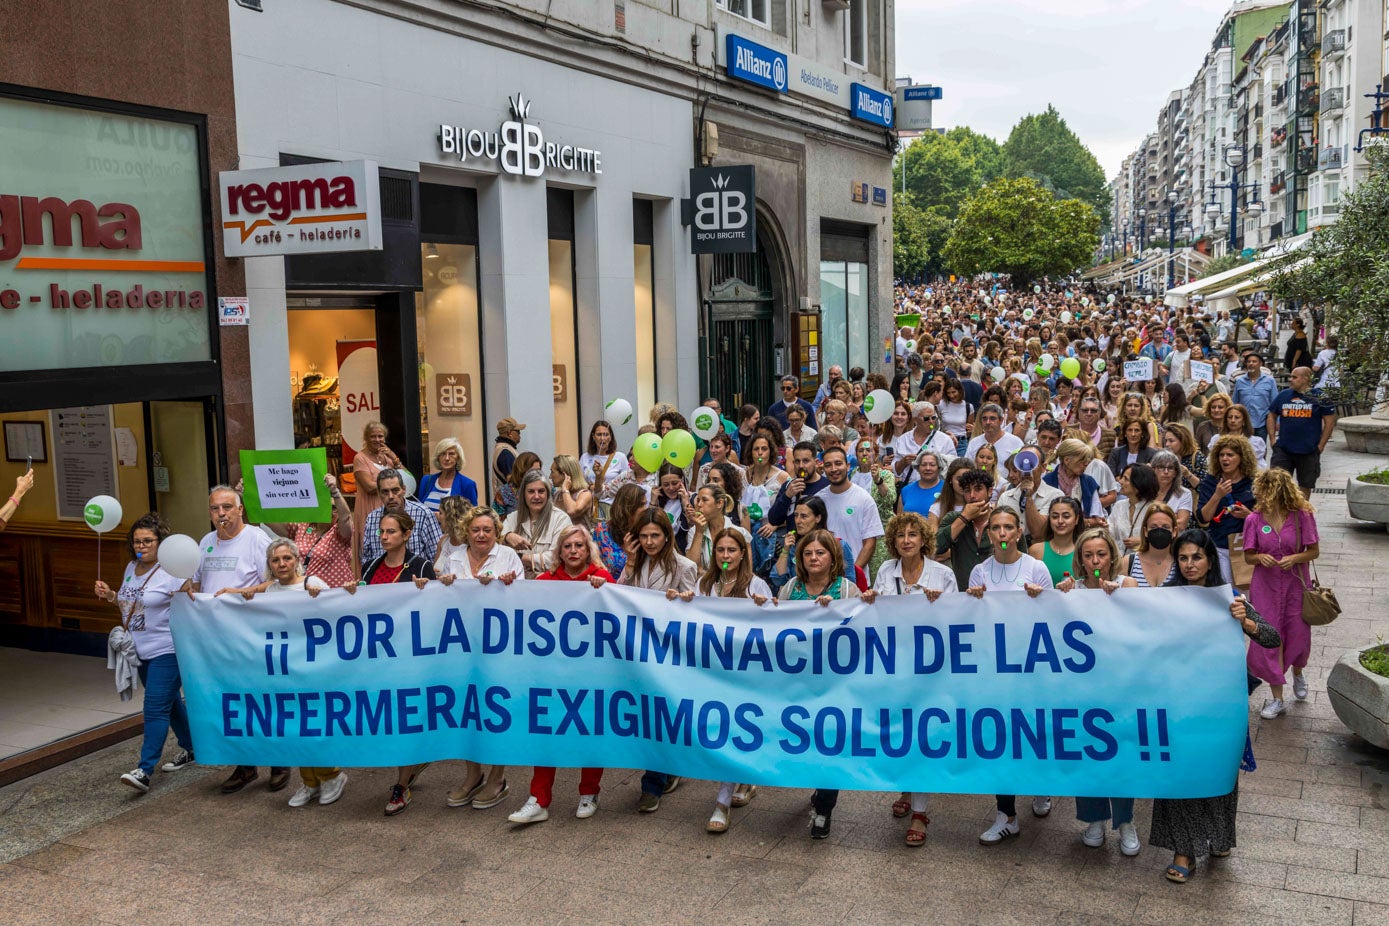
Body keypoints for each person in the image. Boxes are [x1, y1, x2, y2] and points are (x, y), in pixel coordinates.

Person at [1152, 529, 1280, 884]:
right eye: (1183, 558)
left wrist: (1246, 620)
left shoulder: (1230, 598)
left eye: (1197, 557)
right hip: (1177, 704)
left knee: (1218, 773)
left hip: (1220, 706)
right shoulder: (1167, 598)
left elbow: (1272, 638)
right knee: (1181, 775)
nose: (1190, 564)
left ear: (1210, 559)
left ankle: (1218, 837)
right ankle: (1184, 852)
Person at [216, 538, 348, 808]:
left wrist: (320, 600)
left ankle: (332, 776)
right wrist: (232, 593)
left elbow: (338, 615)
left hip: (313, 670)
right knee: (295, 727)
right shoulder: (271, 589)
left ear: (297, 560)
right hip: (284, 673)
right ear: (270, 565)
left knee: (315, 725)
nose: (282, 564)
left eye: (287, 558)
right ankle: (310, 782)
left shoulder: (314, 584)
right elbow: (251, 590)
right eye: (275, 560)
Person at [862, 511, 957, 846]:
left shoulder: (943, 575)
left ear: (923, 540)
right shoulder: (886, 571)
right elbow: (875, 615)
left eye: (913, 535)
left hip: (930, 669)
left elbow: (958, 622)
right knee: (902, 732)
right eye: (900, 535)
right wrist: (871, 600)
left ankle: (920, 811)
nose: (906, 540)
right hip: (895, 666)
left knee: (925, 734)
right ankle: (907, 787)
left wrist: (940, 605)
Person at [508, 524, 612, 825]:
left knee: (589, 730)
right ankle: (539, 799)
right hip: (552, 673)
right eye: (567, 546)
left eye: (579, 545)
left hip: (590, 674)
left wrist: (604, 591)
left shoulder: (602, 579)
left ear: (588, 549)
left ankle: (589, 791)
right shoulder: (545, 581)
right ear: (559, 551)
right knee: (546, 733)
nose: (574, 551)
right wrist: (504, 586)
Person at [671, 529, 773, 833]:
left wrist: (764, 608)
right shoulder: (705, 584)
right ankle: (742, 782)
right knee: (725, 730)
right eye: (720, 551)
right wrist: (684, 602)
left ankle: (722, 802)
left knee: (739, 730)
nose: (726, 556)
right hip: (714, 673)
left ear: (742, 553)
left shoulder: (757, 585)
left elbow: (776, 627)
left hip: (747, 675)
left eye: (732, 550)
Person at [964, 506, 1053, 845]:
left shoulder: (1036, 567)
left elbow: (1054, 616)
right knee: (1001, 739)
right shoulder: (979, 572)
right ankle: (1006, 814)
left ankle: (1043, 785)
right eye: (996, 528)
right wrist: (973, 601)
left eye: (1008, 528)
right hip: (994, 671)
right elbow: (973, 623)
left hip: (1031, 669)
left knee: (1035, 731)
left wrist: (1040, 599)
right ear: (989, 535)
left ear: (1018, 532)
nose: (1002, 534)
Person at [188, 486, 281, 795]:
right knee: (232, 702)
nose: (221, 514)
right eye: (215, 509)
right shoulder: (205, 543)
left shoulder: (256, 539)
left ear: (241, 509)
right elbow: (200, 584)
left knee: (260, 700)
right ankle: (245, 766)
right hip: (217, 639)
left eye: (227, 507)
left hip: (250, 635)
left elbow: (276, 580)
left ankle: (279, 762)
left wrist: (238, 595)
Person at [93, 514, 195, 794]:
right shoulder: (130, 567)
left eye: (148, 541)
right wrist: (112, 596)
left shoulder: (172, 571)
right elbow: (131, 606)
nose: (141, 546)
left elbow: (195, 601)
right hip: (140, 652)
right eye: (137, 541)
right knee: (170, 703)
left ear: (161, 542)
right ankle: (193, 746)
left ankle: (144, 770)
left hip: (168, 650)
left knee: (154, 709)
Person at [1055, 527, 1142, 856]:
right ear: (1079, 558)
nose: (1095, 561)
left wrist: (1118, 600)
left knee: (1119, 752)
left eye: (1101, 554)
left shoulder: (1127, 585)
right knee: (1087, 753)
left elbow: (1141, 624)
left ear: (1112, 557)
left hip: (1120, 688)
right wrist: (1059, 595)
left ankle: (1125, 822)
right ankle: (1094, 820)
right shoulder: (1071, 589)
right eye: (1088, 555)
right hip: (1082, 690)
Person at [435, 506, 520, 812]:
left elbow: (526, 601)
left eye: (487, 529)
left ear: (496, 532)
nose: (481, 535)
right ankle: (473, 775)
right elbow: (438, 596)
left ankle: (498, 778)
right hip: (460, 647)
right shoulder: (453, 557)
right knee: (467, 710)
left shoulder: (509, 557)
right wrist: (438, 585)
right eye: (476, 530)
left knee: (497, 712)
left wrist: (509, 585)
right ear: (466, 532)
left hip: (498, 647)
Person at [354, 509, 439, 815]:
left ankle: (401, 786)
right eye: (381, 532)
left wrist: (425, 590)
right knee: (390, 720)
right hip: (379, 657)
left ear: (406, 535)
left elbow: (437, 607)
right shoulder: (372, 565)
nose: (384, 537)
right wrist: (352, 592)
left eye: (391, 532)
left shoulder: (421, 566)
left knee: (404, 718)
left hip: (409, 657)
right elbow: (362, 602)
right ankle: (416, 760)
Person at [778, 529, 860, 839]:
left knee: (830, 745)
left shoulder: (846, 591)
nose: (814, 558)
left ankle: (825, 808)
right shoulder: (789, 589)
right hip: (797, 683)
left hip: (834, 684)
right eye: (808, 553)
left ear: (832, 558)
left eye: (820, 553)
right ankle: (817, 792)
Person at [619, 508, 697, 811]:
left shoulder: (684, 566)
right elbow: (618, 599)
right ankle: (669, 765)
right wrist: (629, 561)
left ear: (667, 535)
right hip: (637, 652)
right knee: (648, 716)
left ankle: (651, 785)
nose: (649, 542)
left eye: (655, 535)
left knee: (660, 713)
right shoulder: (635, 563)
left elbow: (692, 608)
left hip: (669, 653)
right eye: (643, 536)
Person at [1243, 467, 1320, 719]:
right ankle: (1277, 699)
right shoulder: (1254, 519)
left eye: (1267, 490)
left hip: (1296, 585)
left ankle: (1298, 671)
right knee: (1269, 638)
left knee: (1298, 636)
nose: (1263, 495)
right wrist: (1259, 557)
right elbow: (1248, 555)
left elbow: (1314, 551)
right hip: (1265, 587)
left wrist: (1294, 557)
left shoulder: (1302, 516)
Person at [259, 473, 356, 589]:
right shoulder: (304, 526)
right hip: (305, 593)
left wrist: (335, 492)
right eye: (325, 506)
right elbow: (267, 519)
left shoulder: (340, 532)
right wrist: (249, 494)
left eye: (334, 508)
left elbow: (346, 517)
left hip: (332, 593)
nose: (329, 511)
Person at [1268, 367, 1337, 499]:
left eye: (1294, 377)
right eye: (1291, 377)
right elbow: (1271, 415)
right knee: (1277, 484)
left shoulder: (1320, 396)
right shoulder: (1284, 395)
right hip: (1283, 449)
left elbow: (1329, 422)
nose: (1290, 380)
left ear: (1305, 379)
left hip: (1309, 450)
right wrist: (1272, 439)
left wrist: (1321, 446)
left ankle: (1301, 516)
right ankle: (1281, 516)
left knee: (1305, 486)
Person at [1197, 435, 1258, 582]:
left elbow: (1266, 520)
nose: (1225, 459)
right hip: (1219, 545)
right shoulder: (1210, 482)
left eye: (1230, 455)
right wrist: (1217, 495)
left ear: (1242, 458)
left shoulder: (1254, 483)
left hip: (1246, 547)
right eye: (1221, 455)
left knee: (1247, 592)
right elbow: (1203, 518)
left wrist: (1249, 515)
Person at [818, 446, 884, 574]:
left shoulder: (864, 498)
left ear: (848, 466)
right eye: (828, 465)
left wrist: (852, 573)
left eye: (838, 463)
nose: (833, 469)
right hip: (824, 578)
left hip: (856, 578)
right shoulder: (818, 499)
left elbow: (870, 543)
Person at [360, 469, 442, 566]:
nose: (390, 496)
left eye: (395, 490)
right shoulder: (372, 518)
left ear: (403, 490)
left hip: (416, 578)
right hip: (382, 578)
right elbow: (366, 557)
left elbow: (438, 554)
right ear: (379, 493)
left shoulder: (423, 514)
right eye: (385, 492)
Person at [502, 470, 572, 579]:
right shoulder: (512, 518)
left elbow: (556, 558)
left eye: (541, 491)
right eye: (531, 491)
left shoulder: (561, 519)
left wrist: (521, 558)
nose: (536, 496)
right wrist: (506, 537)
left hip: (549, 582)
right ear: (523, 494)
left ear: (548, 493)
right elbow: (496, 550)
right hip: (516, 583)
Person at [936, 468, 997, 591]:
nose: (972, 496)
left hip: (996, 593)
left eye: (978, 489)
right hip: (962, 594)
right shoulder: (953, 518)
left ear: (990, 491)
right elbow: (936, 546)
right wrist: (965, 517)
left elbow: (1019, 555)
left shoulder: (1002, 520)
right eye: (967, 491)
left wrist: (1003, 545)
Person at [351, 421, 400, 561]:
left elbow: (407, 479)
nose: (377, 440)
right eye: (373, 436)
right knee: (374, 548)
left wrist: (394, 458)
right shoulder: (360, 458)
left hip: (390, 508)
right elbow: (369, 486)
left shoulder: (387, 457)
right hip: (370, 507)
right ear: (366, 438)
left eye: (380, 436)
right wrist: (392, 484)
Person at [685, 484, 752, 570]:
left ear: (720, 503)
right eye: (698, 500)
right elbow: (691, 567)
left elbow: (747, 571)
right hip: (704, 583)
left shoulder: (740, 533)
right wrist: (699, 532)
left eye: (704, 500)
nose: (699, 504)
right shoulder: (694, 531)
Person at [766, 442, 828, 530]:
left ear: (816, 462)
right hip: (793, 542)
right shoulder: (788, 486)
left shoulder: (827, 486)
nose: (801, 466)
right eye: (797, 461)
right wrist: (787, 496)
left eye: (806, 461)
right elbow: (773, 520)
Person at [595, 483, 647, 578]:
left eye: (645, 504)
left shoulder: (646, 531)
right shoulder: (602, 532)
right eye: (641, 505)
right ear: (627, 507)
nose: (645, 509)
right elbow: (593, 563)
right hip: (607, 586)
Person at [1029, 496, 1083, 586]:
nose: (1060, 521)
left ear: (1076, 519)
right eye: (1055, 517)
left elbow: (1095, 579)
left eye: (1066, 516)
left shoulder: (1084, 551)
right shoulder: (1036, 551)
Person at [418, 437, 479, 513]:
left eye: (451, 454)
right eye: (443, 454)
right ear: (438, 457)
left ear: (458, 458)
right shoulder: (426, 480)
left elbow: (472, 517)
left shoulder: (467, 484)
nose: (447, 458)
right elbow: (420, 510)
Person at [580, 419, 631, 508]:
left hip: (613, 506)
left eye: (606, 434)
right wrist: (590, 487)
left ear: (610, 437)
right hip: (590, 506)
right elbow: (579, 481)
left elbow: (628, 482)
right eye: (599, 434)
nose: (602, 438)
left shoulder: (620, 457)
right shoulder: (585, 457)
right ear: (593, 436)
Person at [1125, 503, 1179, 587]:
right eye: (1153, 527)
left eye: (1165, 527)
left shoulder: (1181, 563)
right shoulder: (1128, 562)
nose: (1159, 532)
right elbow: (1098, 575)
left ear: (1174, 531)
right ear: (1145, 531)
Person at [1109, 463, 1159, 552]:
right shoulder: (1119, 506)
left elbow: (1163, 538)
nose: (1120, 481)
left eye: (1125, 479)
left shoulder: (1154, 509)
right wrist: (1103, 526)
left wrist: (1143, 541)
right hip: (1120, 562)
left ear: (1138, 485)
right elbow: (1111, 533)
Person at [1231, 352, 1277, 440]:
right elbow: (1235, 402)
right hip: (1244, 423)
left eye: (1254, 361)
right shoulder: (1240, 381)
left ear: (1260, 364)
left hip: (1262, 422)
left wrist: (1277, 422)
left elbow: (1275, 402)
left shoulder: (1270, 381)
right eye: (1249, 362)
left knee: (1261, 449)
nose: (1251, 364)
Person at [1149, 451, 1193, 532]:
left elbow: (1181, 525)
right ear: (1153, 470)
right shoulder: (1145, 491)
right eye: (1161, 467)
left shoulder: (1184, 493)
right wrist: (1172, 517)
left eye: (1170, 468)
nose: (1166, 472)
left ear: (1175, 473)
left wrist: (1152, 524)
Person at [550, 454, 595, 528]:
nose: (550, 476)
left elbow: (572, 511)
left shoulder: (585, 494)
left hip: (580, 538)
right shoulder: (557, 495)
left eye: (552, 472)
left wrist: (565, 489)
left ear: (564, 474)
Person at [496, 451, 542, 518]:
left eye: (538, 471)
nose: (536, 475)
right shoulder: (504, 493)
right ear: (521, 471)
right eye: (532, 471)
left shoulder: (546, 489)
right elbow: (496, 522)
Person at [1163, 423, 1207, 493]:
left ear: (1183, 441)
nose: (1167, 444)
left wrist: (1188, 474)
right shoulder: (1166, 458)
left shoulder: (1197, 457)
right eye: (1166, 441)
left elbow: (1204, 488)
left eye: (1171, 441)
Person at [491, 416, 526, 497]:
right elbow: (511, 479)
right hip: (509, 503)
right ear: (510, 433)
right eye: (518, 432)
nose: (520, 435)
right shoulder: (505, 452)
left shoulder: (503, 449)